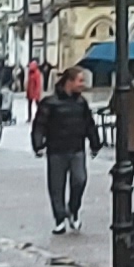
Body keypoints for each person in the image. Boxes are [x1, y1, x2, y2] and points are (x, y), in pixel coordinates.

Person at [33, 72, 96, 232]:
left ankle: (73, 209)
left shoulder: (81, 103)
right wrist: (38, 144)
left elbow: (89, 124)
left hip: (77, 149)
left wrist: (95, 143)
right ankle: (59, 218)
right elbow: (40, 125)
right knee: (56, 186)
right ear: (69, 81)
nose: (82, 84)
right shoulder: (49, 103)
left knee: (80, 180)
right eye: (80, 81)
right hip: (56, 150)